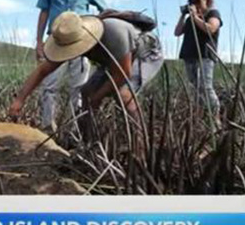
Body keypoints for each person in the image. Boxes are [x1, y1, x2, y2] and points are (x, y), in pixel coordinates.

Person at [9, 11, 163, 139]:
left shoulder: (114, 32)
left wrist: (99, 97)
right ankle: (87, 140)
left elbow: (123, 73)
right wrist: (19, 100)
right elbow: (42, 71)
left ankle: (140, 143)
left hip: (145, 53)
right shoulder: (68, 37)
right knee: (86, 92)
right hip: (113, 60)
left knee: (124, 95)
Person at [35, 0, 107, 132]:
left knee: (79, 88)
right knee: (49, 86)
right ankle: (48, 128)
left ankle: (74, 131)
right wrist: (38, 42)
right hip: (55, 43)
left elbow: (103, 10)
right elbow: (44, 12)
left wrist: (97, 32)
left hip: (80, 44)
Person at [174, 0, 223, 126]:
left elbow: (211, 29)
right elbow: (177, 32)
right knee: (195, 89)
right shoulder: (190, 19)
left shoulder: (212, 14)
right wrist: (183, 16)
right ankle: (199, 117)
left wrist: (196, 17)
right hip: (189, 56)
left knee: (206, 88)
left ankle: (215, 118)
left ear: (207, 1)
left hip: (205, 56)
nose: (194, 4)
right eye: (191, 2)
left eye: (197, 1)